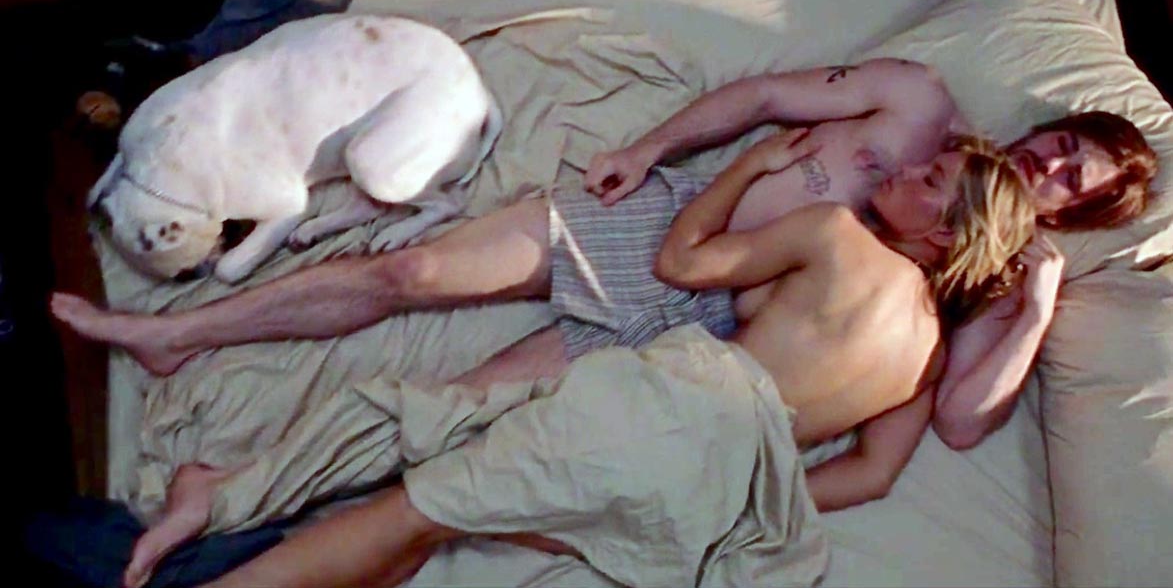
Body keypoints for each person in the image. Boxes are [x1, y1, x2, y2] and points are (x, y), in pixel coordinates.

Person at [52, 59, 1155, 446]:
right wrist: (650, 146)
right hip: (655, 223)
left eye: (1075, 181)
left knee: (456, 413)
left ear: (1072, 213)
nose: (1053, 166)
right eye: (1064, 143)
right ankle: (171, 334)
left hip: (696, 340)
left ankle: (241, 491)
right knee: (409, 272)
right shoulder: (916, 103)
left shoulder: (984, 279)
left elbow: (957, 421)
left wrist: (1035, 308)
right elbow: (763, 98)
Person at [149, 132, 1036, 588]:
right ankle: (227, 504)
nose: (905, 171)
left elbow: (680, 263)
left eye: (929, 179)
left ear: (945, 231)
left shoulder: (838, 235)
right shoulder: (927, 361)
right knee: (437, 519)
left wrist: (747, 166)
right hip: (703, 507)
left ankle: (219, 522)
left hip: (664, 416)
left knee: (407, 502)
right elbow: (871, 475)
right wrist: (751, 476)